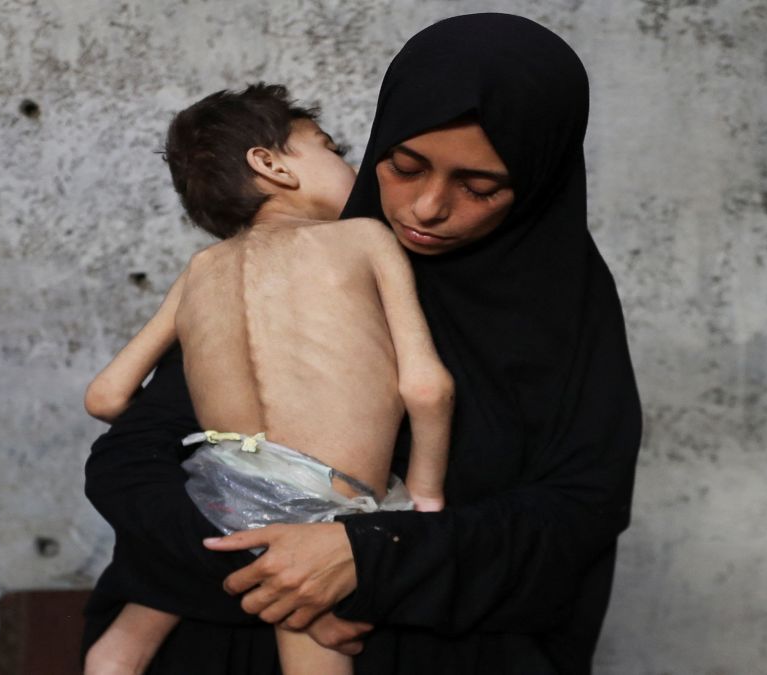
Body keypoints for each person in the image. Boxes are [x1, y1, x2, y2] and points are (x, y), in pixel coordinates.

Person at [82, 12, 642, 674]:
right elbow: (131, 464)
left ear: (538, 180)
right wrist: (282, 573)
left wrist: (367, 555)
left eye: (479, 185)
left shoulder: (562, 306)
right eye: (403, 166)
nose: (428, 207)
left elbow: (576, 516)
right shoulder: (290, 267)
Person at [81, 83, 453, 675]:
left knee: (128, 636)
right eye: (332, 148)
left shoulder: (202, 267)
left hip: (211, 489)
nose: (352, 165)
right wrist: (424, 504)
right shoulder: (363, 238)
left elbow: (105, 396)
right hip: (319, 506)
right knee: (313, 642)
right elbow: (427, 387)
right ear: (271, 164)